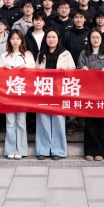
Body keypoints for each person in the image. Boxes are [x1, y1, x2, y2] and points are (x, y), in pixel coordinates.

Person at [77, 28, 104, 161]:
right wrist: (82, 70)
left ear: (102, 39)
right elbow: (78, 70)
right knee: (89, 123)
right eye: (93, 37)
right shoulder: (84, 53)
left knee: (102, 122)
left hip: (103, 93)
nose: (95, 40)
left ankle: (101, 151)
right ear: (89, 39)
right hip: (88, 92)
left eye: (98, 37)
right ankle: (89, 150)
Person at [36, 29, 75, 160]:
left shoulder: (65, 54)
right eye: (49, 37)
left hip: (59, 92)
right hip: (43, 90)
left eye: (54, 37)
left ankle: (58, 150)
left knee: (58, 120)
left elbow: (73, 71)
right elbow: (35, 72)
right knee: (43, 120)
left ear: (58, 39)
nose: (51, 39)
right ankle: (43, 150)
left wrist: (66, 72)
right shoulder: (41, 54)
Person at [0, 30, 36, 160]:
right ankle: (10, 149)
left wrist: (26, 68)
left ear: (21, 40)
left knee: (21, 122)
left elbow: (34, 72)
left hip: (22, 93)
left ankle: (21, 149)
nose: (15, 41)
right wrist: (4, 68)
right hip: (8, 93)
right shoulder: (4, 56)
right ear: (9, 40)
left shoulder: (28, 55)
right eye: (13, 38)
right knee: (10, 122)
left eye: (18, 38)